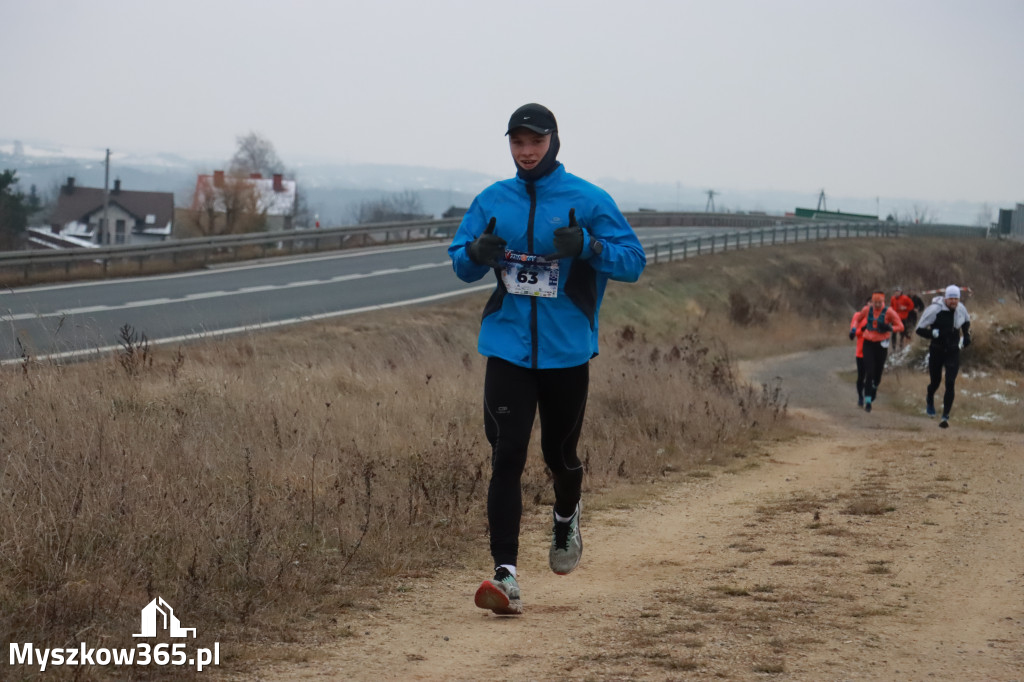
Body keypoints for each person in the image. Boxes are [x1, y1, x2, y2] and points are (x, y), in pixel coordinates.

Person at [448, 103, 646, 615]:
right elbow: (459, 263)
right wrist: (478, 253)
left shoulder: (588, 199)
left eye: (535, 142)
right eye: (517, 142)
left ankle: (565, 514)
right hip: (508, 349)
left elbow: (635, 262)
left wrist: (589, 246)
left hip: (566, 353)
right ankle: (505, 576)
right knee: (506, 455)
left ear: (553, 141)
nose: (526, 151)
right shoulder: (493, 200)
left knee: (559, 457)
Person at [915, 284, 971, 428]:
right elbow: (919, 330)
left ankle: (945, 416)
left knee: (950, 382)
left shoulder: (961, 308)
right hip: (937, 350)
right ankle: (930, 398)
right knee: (936, 381)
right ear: (946, 298)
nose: (953, 301)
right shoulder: (935, 310)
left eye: (956, 298)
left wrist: (966, 336)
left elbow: (966, 321)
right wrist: (931, 334)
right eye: (951, 298)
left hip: (953, 350)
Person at [850, 291, 904, 413]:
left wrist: (890, 328)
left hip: (881, 345)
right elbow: (857, 320)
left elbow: (900, 326)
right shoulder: (867, 310)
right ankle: (868, 401)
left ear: (883, 302)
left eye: (880, 303)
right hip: (868, 343)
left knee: (878, 373)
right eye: (875, 303)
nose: (877, 305)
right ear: (872, 302)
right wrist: (854, 329)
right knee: (869, 372)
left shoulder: (889, 312)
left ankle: (875, 386)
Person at [848, 301, 869, 407]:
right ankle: (860, 397)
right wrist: (863, 329)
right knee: (861, 376)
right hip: (861, 352)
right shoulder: (858, 316)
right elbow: (854, 332)